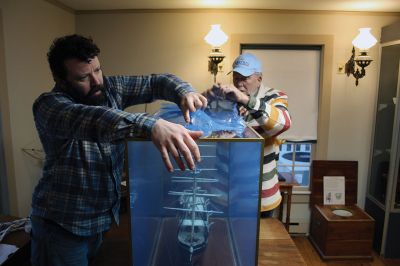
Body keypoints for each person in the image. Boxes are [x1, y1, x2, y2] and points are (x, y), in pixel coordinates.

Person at [30, 34, 207, 266]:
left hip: (100, 222)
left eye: (98, 70)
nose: (96, 82)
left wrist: (184, 91)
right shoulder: (49, 105)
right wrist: (152, 125)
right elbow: (96, 120)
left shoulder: (110, 87)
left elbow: (157, 82)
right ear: (61, 80)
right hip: (62, 227)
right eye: (83, 77)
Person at [204, 53, 291, 218]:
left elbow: (282, 123)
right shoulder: (225, 98)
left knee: (258, 242)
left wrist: (246, 100)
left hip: (259, 193)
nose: (239, 82)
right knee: (223, 239)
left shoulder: (275, 96)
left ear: (259, 78)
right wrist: (206, 97)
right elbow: (200, 124)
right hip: (224, 191)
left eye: (245, 77)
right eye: (236, 77)